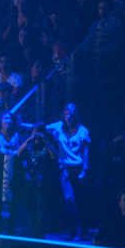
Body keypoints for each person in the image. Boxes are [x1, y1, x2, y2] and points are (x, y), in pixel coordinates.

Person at [46, 103, 90, 240]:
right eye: (66, 113)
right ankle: (76, 227)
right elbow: (42, 127)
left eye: (71, 113)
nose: (68, 116)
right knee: (69, 199)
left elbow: (86, 151)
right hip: (65, 169)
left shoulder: (83, 131)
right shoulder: (59, 127)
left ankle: (80, 229)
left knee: (80, 201)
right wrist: (21, 123)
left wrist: (85, 170)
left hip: (78, 169)